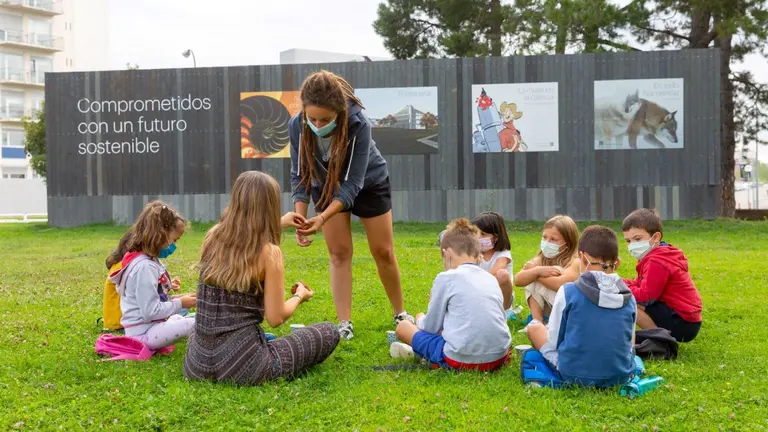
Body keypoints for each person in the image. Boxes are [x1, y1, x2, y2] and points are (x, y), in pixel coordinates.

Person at [183, 171, 340, 386]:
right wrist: (299, 297)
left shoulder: (213, 236)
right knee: (329, 331)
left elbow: (243, 234)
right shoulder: (270, 253)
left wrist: (279, 223)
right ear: (271, 205)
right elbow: (276, 318)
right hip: (246, 366)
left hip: (196, 365)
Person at [289, 70, 412, 340]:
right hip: (326, 184)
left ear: (339, 113)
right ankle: (344, 323)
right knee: (339, 253)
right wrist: (301, 220)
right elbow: (299, 175)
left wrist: (320, 219)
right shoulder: (297, 126)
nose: (318, 125)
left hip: (368, 183)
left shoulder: (358, 123)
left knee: (383, 251)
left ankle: (401, 313)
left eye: (326, 120)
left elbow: (352, 185)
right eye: (313, 119)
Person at [391, 218, 512, 371]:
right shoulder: (490, 278)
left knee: (403, 327)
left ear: (446, 254)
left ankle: (423, 355)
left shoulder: (446, 278)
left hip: (460, 360)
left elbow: (431, 327)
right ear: (478, 254)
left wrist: (420, 318)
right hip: (499, 357)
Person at [526, 225, 637, 388]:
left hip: (573, 373)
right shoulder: (629, 296)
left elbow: (554, 341)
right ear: (617, 262)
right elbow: (630, 344)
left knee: (535, 328)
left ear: (582, 259)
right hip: (620, 374)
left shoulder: (568, 291)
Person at [108, 201, 197, 350]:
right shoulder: (145, 267)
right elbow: (150, 311)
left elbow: (157, 299)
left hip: (152, 327)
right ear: (160, 234)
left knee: (182, 318)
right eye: (174, 240)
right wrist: (181, 303)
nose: (173, 246)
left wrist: (182, 298)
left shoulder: (149, 261)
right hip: (143, 334)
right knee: (192, 323)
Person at [621, 208, 703, 342]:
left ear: (656, 237)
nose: (632, 245)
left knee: (629, 303)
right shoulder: (658, 254)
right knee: (629, 298)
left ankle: (660, 341)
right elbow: (640, 284)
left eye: (637, 239)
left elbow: (646, 296)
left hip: (683, 322)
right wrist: (618, 282)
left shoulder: (657, 261)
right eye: (628, 241)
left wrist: (621, 288)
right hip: (687, 319)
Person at [514, 215, 580, 331]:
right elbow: (518, 280)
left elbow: (561, 285)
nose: (547, 242)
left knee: (543, 272)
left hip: (569, 310)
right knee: (532, 274)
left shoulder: (576, 261)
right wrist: (537, 271)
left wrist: (537, 275)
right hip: (549, 310)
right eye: (544, 237)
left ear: (568, 242)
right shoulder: (542, 258)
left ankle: (550, 324)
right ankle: (537, 322)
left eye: (553, 239)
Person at [472, 211, 514, 309]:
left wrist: (475, 282)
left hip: (500, 297)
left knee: (501, 274)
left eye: (483, 234)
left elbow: (496, 270)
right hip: (479, 294)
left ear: (496, 237)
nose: (478, 237)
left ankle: (506, 311)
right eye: (475, 233)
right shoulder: (474, 253)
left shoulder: (503, 254)